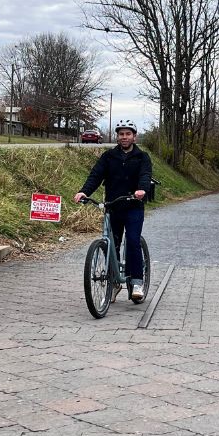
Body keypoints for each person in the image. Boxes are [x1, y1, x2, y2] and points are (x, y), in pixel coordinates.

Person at [75, 122, 156, 303]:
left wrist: (142, 190)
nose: (124, 137)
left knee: (133, 241)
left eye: (128, 134)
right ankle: (114, 283)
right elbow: (95, 175)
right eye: (121, 134)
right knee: (112, 244)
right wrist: (84, 192)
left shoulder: (142, 157)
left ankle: (136, 282)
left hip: (134, 206)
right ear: (117, 137)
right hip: (113, 206)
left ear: (134, 136)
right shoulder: (109, 156)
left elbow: (145, 175)